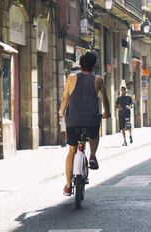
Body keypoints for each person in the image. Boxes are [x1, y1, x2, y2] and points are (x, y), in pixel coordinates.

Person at [58, 51, 111, 196]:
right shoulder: (98, 80)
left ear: (80, 64)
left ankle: (68, 185)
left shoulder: (70, 78)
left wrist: (61, 112)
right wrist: (107, 112)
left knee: (71, 151)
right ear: (94, 66)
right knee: (94, 134)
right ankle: (93, 155)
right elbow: (105, 99)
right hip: (91, 120)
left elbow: (64, 98)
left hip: (73, 121)